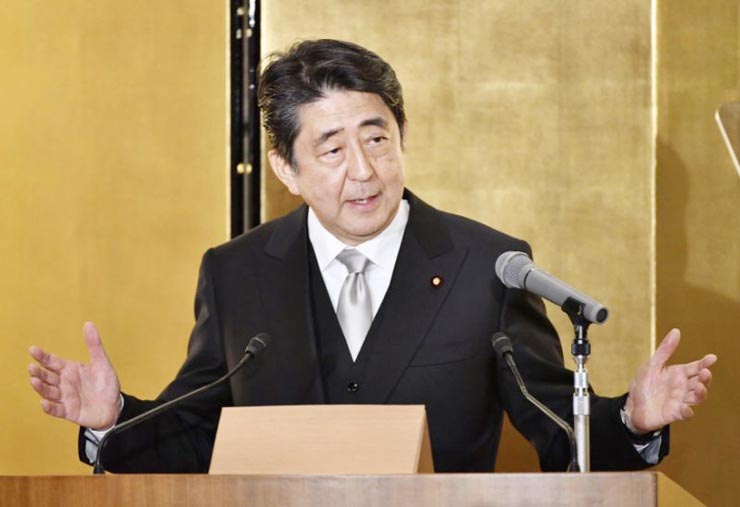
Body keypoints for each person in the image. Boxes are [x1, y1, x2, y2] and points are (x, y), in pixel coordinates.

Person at [28, 39, 716, 473]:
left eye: (377, 138)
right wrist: (114, 418)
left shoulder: (488, 264)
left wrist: (631, 418)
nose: (363, 170)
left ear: (403, 134)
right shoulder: (236, 273)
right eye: (331, 149)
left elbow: (558, 427)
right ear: (285, 168)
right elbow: (192, 436)